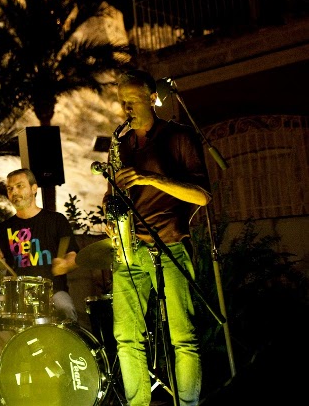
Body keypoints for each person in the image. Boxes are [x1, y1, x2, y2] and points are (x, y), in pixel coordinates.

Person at [105, 69, 211, 406]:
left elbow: (202, 195)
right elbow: (114, 199)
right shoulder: (120, 145)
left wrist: (151, 178)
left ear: (152, 98)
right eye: (122, 103)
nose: (127, 109)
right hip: (128, 252)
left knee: (183, 337)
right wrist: (110, 216)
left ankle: (189, 404)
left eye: (133, 102)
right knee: (126, 338)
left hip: (169, 246)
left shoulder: (179, 136)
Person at [0, 167, 79, 405]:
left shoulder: (55, 220)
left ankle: (74, 372)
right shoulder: (2, 230)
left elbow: (73, 255)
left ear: (33, 188)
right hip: (16, 295)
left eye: (19, 186)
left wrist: (65, 265)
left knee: (66, 308)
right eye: (10, 188)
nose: (14, 192)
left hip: (52, 292)